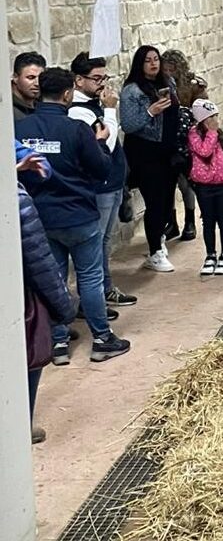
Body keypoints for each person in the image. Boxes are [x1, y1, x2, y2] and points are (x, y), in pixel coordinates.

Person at [14, 67, 131, 365]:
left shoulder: (21, 129)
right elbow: (101, 169)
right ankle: (102, 339)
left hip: (42, 220)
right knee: (90, 278)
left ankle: (58, 342)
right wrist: (102, 141)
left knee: (53, 279)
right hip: (79, 216)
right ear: (67, 94)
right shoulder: (76, 129)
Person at [69, 52, 137, 311]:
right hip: (99, 188)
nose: (102, 83)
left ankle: (105, 289)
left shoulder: (93, 103)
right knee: (95, 243)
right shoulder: (78, 112)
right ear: (78, 80)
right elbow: (104, 146)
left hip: (113, 183)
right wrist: (110, 110)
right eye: (96, 78)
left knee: (105, 240)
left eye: (104, 77)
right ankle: (94, 298)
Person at [17, 143, 75, 443]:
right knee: (29, 355)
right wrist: (62, 308)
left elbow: (41, 164)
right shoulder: (14, 198)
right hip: (18, 289)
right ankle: (18, 426)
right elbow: (38, 258)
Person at [120, 45, 180, 272]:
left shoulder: (168, 83)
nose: (154, 64)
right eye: (148, 60)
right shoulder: (132, 91)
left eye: (156, 59)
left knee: (166, 203)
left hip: (168, 152)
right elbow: (128, 124)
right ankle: (155, 252)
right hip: (145, 154)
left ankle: (160, 241)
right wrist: (150, 112)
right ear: (140, 64)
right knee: (154, 203)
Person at [187, 99, 223, 276]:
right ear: (203, 120)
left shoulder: (220, 135)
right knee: (208, 221)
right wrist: (211, 133)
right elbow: (204, 151)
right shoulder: (195, 134)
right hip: (204, 187)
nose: (216, 120)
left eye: (216, 116)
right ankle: (210, 255)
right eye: (211, 117)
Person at [160, 49, 202, 243]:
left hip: (187, 141)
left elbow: (203, 110)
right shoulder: (160, 86)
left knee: (186, 184)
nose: (168, 72)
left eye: (172, 69)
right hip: (167, 140)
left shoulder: (192, 86)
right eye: (165, 69)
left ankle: (190, 221)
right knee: (168, 184)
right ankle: (171, 222)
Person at [11, 51, 45, 120]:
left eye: (41, 78)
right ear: (15, 77)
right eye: (30, 78)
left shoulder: (43, 105)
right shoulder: (6, 109)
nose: (37, 83)